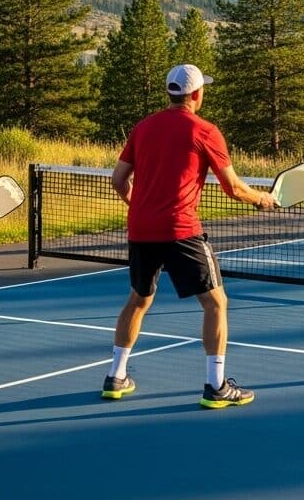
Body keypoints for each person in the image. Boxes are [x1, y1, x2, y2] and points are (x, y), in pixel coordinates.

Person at [103, 64, 276, 408]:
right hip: (181, 230)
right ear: (196, 95)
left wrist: (139, 205)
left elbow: (118, 180)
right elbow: (233, 187)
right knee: (216, 303)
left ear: (171, 93)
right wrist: (262, 199)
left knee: (138, 299)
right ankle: (216, 386)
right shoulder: (205, 130)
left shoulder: (143, 127)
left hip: (141, 230)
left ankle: (116, 377)